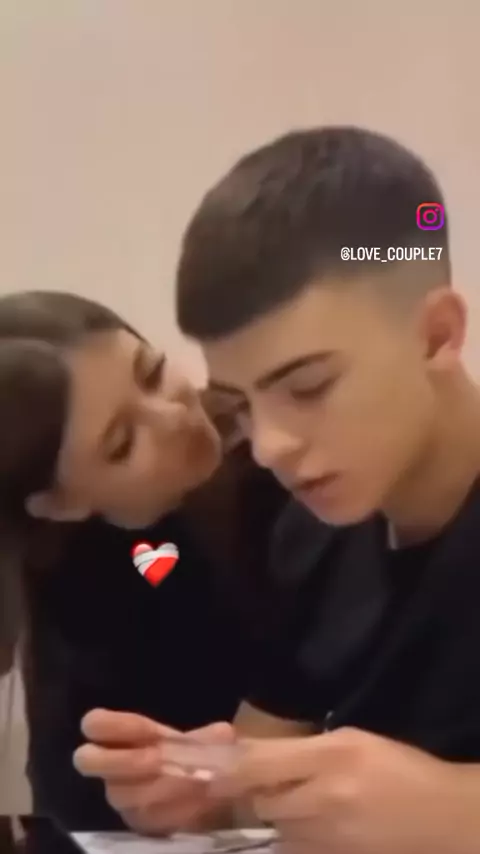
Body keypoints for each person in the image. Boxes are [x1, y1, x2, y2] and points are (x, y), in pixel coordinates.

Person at [76, 127, 480, 852]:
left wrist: (461, 813)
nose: (268, 447)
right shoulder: (311, 535)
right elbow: (262, 769)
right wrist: (202, 790)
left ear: (436, 336)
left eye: (308, 387)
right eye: (240, 405)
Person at [0, 289, 289, 830]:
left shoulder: (283, 458)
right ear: (59, 505)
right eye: (122, 443)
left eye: (152, 372)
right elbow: (78, 811)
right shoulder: (73, 593)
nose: (174, 415)